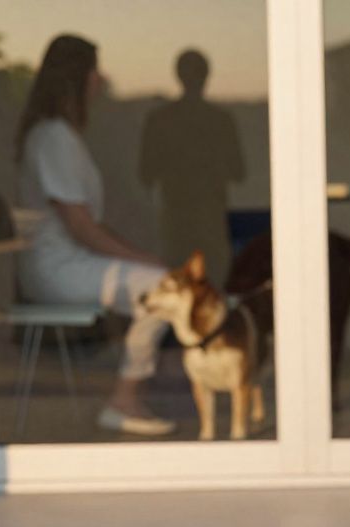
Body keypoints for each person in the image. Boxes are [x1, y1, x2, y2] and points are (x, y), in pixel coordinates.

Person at [15, 35, 175, 436]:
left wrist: (137, 254)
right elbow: (81, 228)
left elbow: (87, 225)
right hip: (58, 268)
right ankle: (124, 399)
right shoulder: (53, 137)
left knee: (157, 281)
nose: (101, 79)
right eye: (94, 70)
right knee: (163, 288)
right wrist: (146, 260)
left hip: (68, 261)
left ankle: (126, 390)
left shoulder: (61, 136)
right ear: (76, 78)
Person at [138, 48, 245, 281]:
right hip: (195, 217)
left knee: (189, 287)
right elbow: (238, 171)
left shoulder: (161, 120)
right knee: (200, 286)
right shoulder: (219, 121)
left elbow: (145, 173)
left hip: (189, 218)